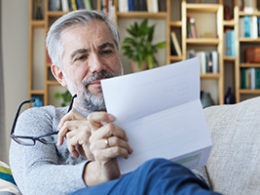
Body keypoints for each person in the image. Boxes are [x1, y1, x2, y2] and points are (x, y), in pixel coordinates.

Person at [9, 10, 221, 195]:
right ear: (60, 75)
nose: (97, 65)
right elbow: (33, 184)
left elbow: (195, 181)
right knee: (157, 171)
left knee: (160, 171)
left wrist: (120, 159)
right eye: (81, 57)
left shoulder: (158, 111)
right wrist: (100, 170)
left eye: (106, 51)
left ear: (119, 57)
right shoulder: (40, 120)